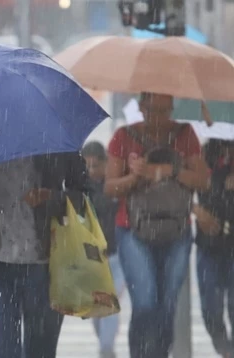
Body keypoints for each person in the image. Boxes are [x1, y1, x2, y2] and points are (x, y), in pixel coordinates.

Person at [104, 92, 209, 358]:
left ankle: (159, 354)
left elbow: (202, 181)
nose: (159, 118)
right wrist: (135, 176)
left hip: (177, 228)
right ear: (141, 107)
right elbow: (110, 187)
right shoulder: (123, 137)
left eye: (165, 111)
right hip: (132, 229)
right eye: (153, 110)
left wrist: (168, 171)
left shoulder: (185, 135)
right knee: (146, 303)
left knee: (167, 306)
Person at [0, 152, 89, 358]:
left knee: (41, 352)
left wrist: (52, 197)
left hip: (45, 267)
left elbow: (85, 196)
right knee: (2, 352)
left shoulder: (53, 141)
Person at [81, 141, 125, 358]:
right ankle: (105, 345)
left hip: (117, 255)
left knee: (110, 300)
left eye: (96, 165)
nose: (91, 171)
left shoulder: (116, 183)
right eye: (87, 166)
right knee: (98, 308)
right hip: (92, 259)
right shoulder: (81, 188)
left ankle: (106, 349)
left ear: (106, 162)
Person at [194, 139, 234, 358]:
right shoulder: (206, 154)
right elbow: (187, 185)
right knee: (211, 307)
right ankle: (224, 349)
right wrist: (196, 209)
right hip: (209, 243)